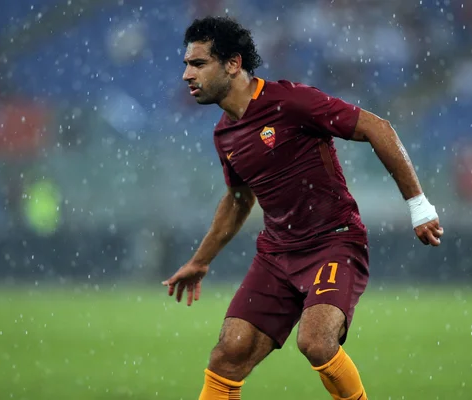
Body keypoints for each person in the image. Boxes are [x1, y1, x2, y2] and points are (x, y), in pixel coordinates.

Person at [162, 16, 443, 400]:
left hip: (334, 242)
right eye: (185, 65)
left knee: (315, 341)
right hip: (277, 254)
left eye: (197, 64)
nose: (186, 75)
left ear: (232, 63)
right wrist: (200, 260)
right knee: (228, 355)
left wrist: (420, 206)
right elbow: (240, 199)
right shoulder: (224, 133)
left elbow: (378, 128)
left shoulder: (289, 101)